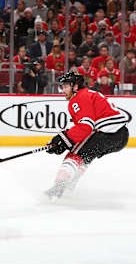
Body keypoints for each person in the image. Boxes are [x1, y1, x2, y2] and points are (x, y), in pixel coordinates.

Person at [45, 71, 130, 201]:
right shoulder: (88, 94)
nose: (63, 90)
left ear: (75, 86)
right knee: (85, 156)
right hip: (120, 136)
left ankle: (58, 189)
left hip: (108, 132)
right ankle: (68, 188)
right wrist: (66, 140)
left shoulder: (78, 97)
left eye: (66, 86)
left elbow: (86, 126)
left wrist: (64, 139)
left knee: (75, 155)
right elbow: (86, 129)